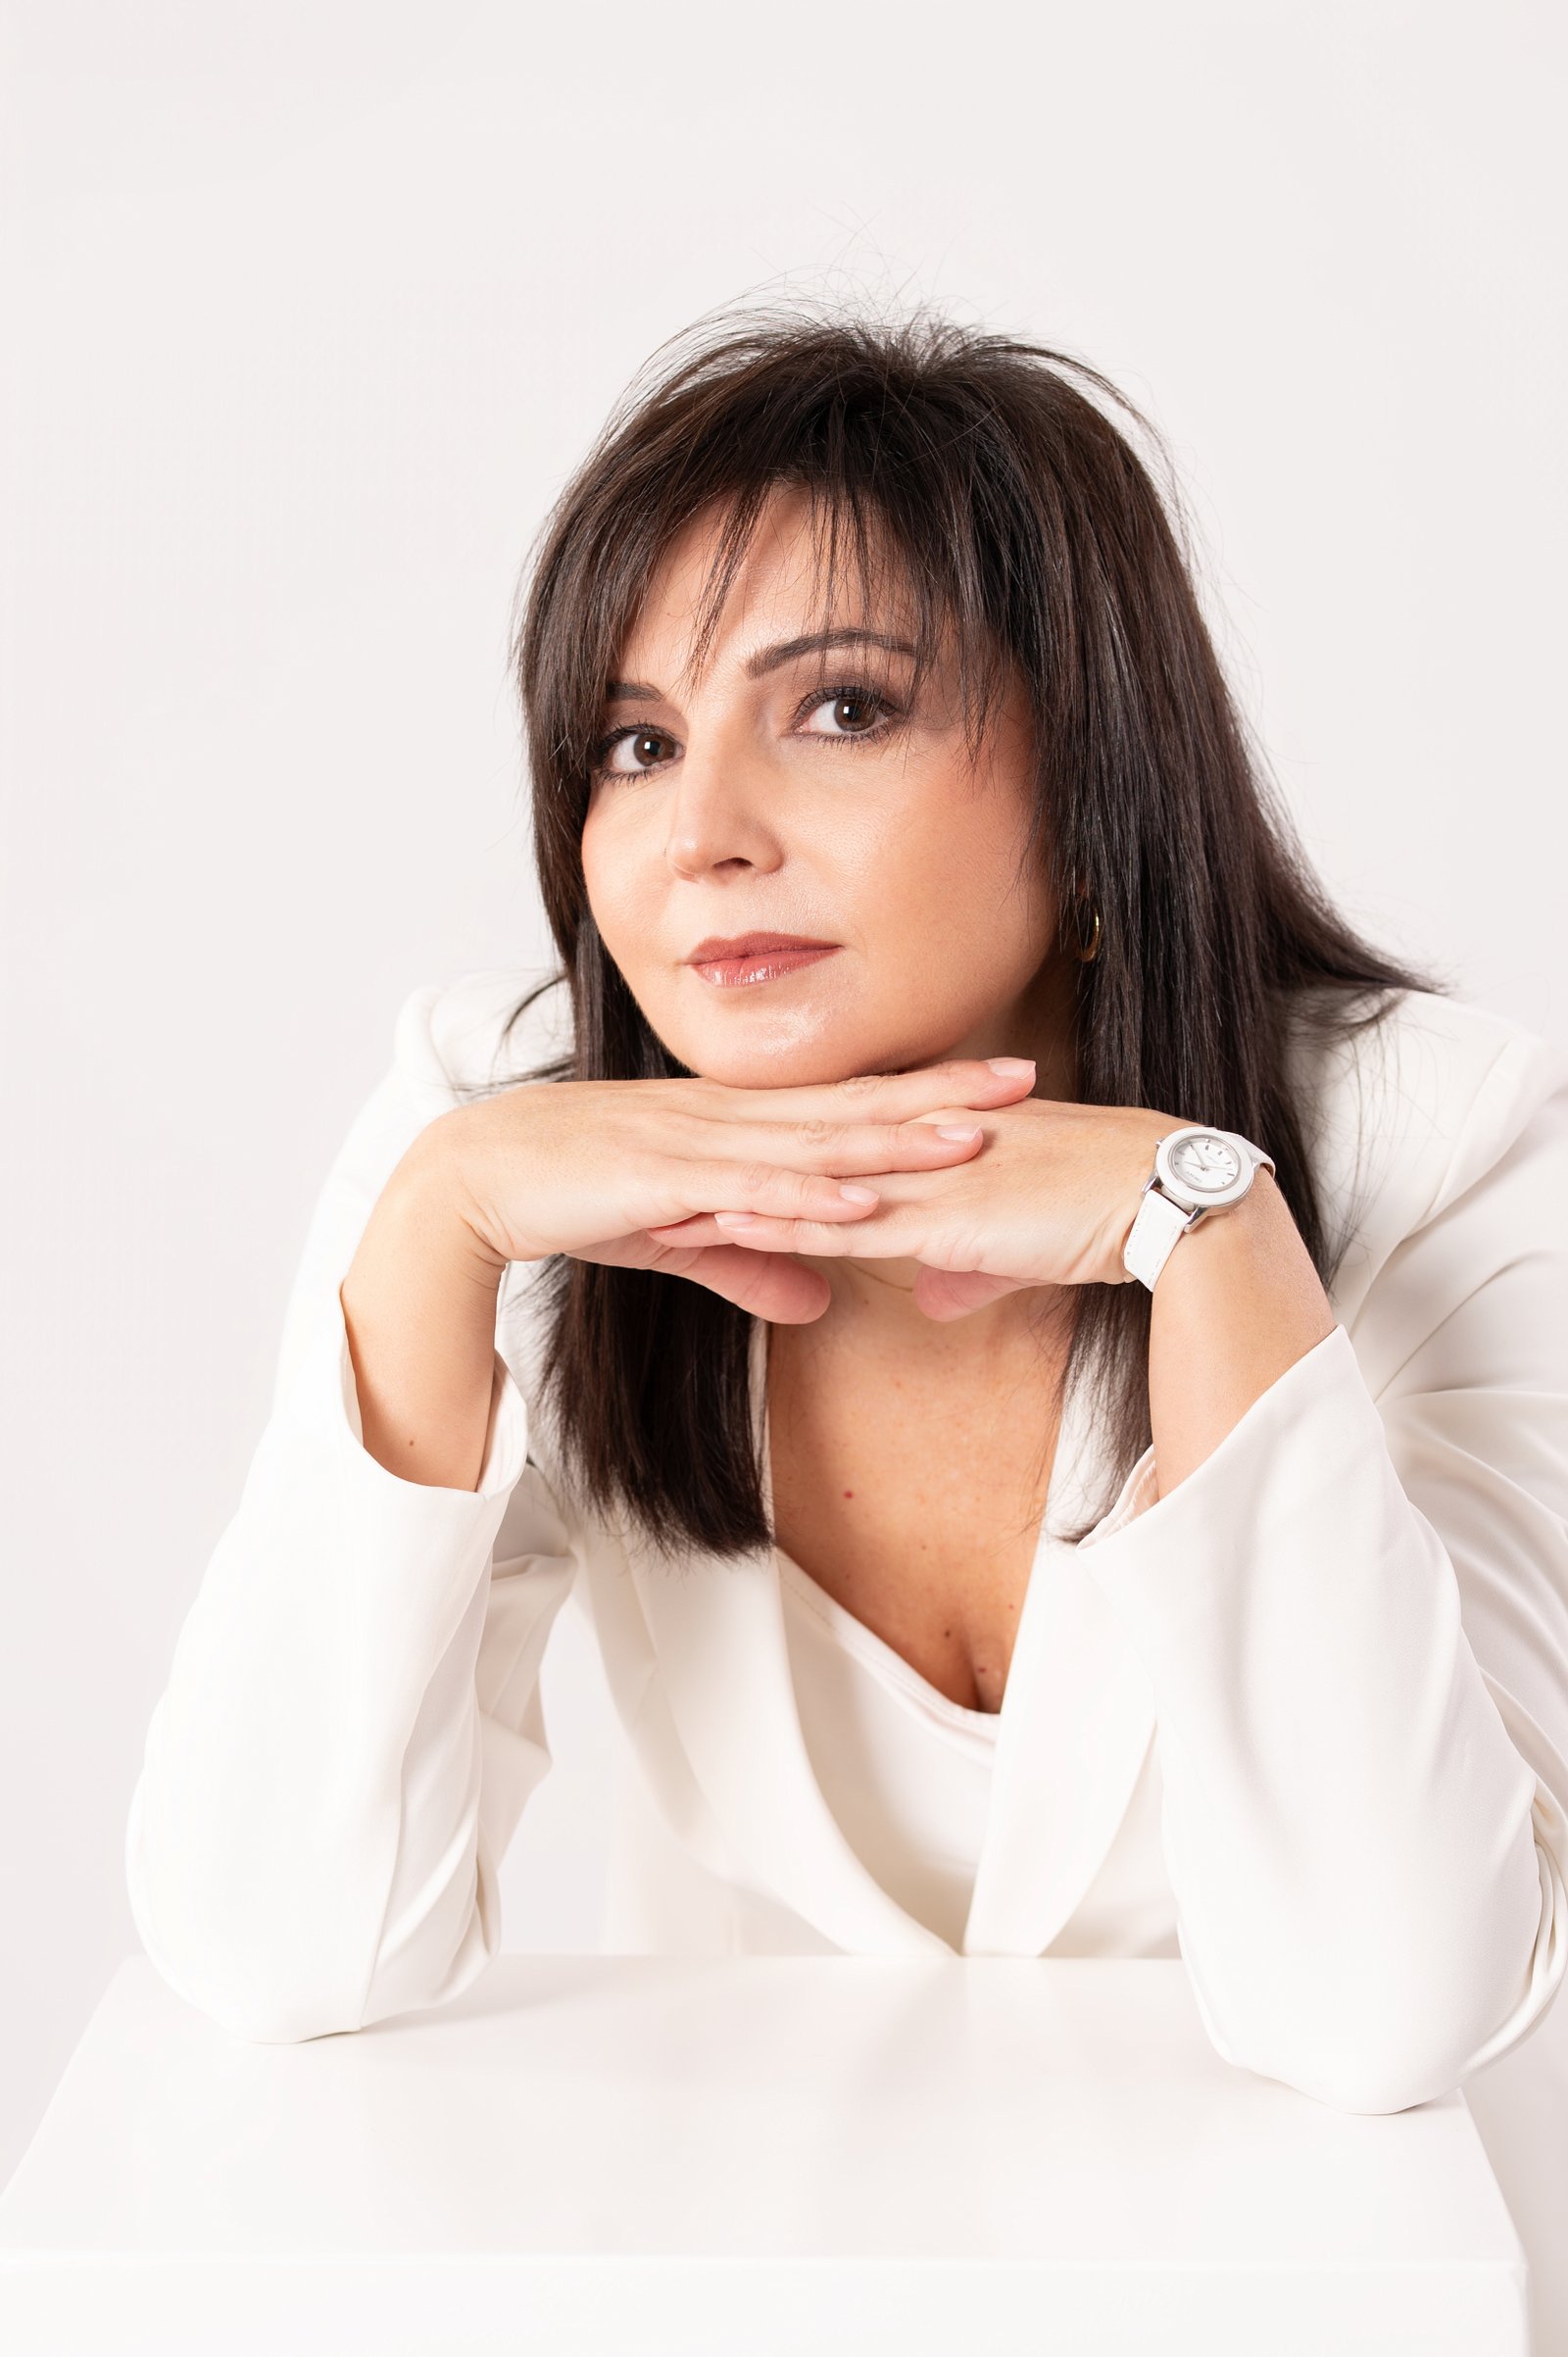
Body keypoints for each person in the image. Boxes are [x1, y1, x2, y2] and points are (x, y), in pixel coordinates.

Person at [125, 302, 1568, 2343]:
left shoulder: (1430, 1143)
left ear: (1089, 774)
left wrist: (1205, 1228)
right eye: (633, 744)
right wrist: (433, 1222)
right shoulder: (508, 1140)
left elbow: (1390, 2003)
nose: (699, 831)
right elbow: (274, 1946)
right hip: (747, 2286)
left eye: (839, 708)